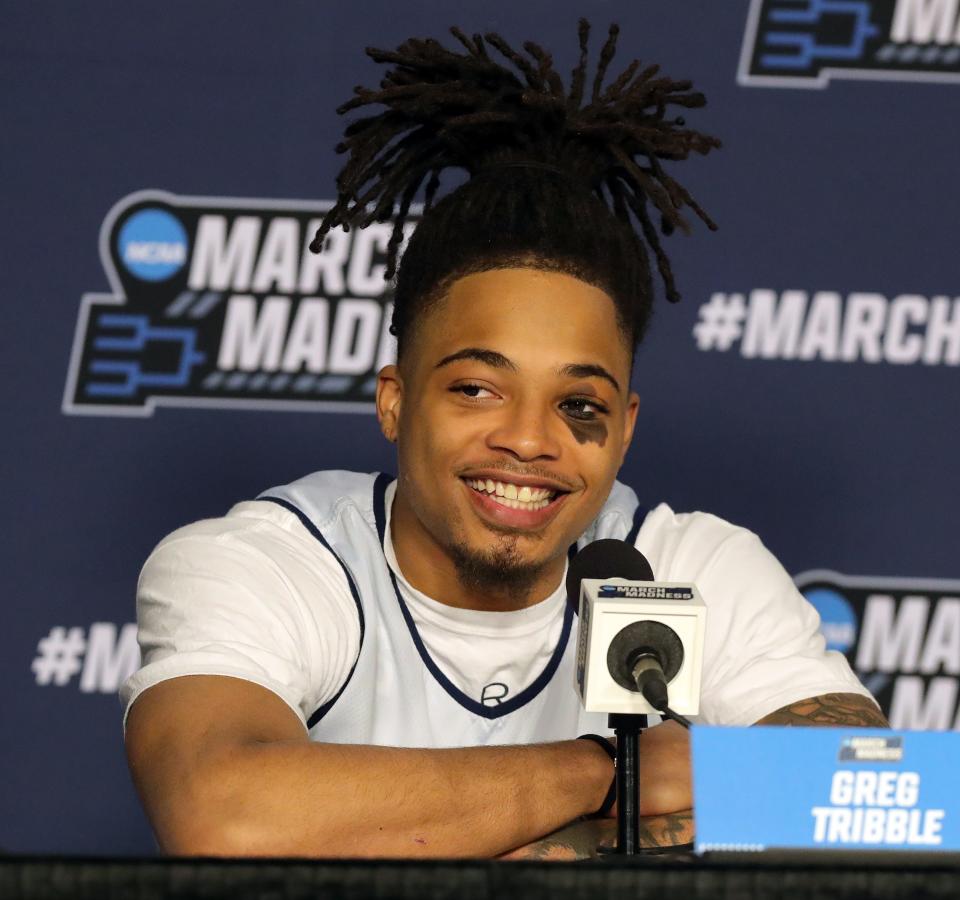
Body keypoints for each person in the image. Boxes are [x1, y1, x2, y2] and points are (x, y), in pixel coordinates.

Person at [121, 21, 887, 860]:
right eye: (476, 389)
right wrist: (610, 771)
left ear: (625, 429)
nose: (529, 440)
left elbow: (869, 805)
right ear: (395, 400)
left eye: (580, 406)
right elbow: (226, 816)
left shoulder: (687, 566)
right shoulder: (275, 562)